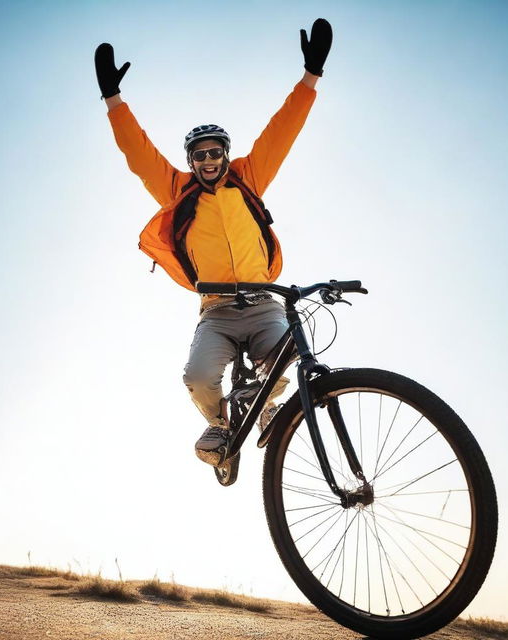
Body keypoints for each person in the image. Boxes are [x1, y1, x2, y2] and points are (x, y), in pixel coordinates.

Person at [94, 19, 332, 466]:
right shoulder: (177, 191)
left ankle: (264, 409)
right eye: (199, 155)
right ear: (191, 161)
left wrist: (310, 76)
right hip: (217, 310)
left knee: (287, 358)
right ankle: (221, 425)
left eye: (214, 152)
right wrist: (113, 100)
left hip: (263, 303)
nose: (208, 160)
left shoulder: (249, 179)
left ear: (225, 153)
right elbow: (138, 153)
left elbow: (282, 132)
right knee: (199, 375)